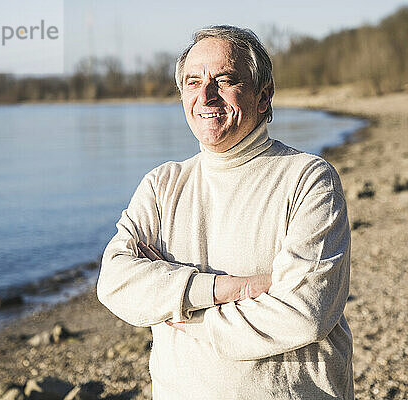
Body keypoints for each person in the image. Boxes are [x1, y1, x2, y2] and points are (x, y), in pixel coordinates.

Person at [97, 25, 354, 400]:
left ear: (263, 97)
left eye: (225, 79)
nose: (206, 95)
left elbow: (303, 313)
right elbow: (115, 283)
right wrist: (227, 289)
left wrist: (178, 309)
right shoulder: (162, 184)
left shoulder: (308, 179)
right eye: (193, 81)